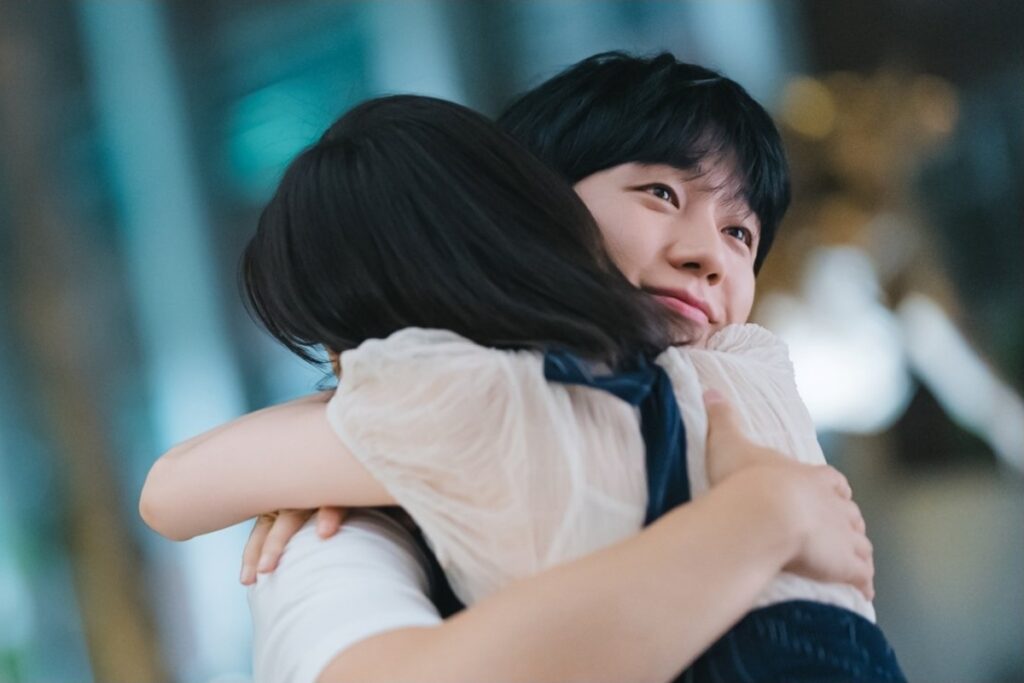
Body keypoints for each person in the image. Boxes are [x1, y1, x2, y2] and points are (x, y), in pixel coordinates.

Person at [140, 54, 898, 682]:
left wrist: (338, 449)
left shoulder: (516, 403)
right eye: (661, 192)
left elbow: (174, 488)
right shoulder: (688, 383)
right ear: (534, 205)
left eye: (742, 233)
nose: (708, 253)